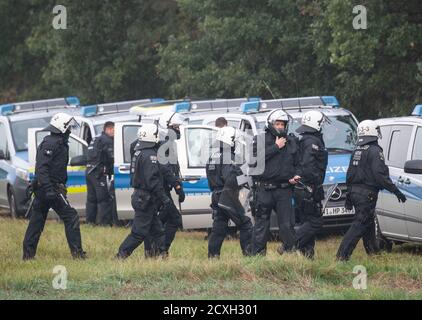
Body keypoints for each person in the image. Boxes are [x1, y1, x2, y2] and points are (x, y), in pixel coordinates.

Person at [336, 120, 407, 261]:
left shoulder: (357, 150)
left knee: (368, 223)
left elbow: (349, 175)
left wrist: (348, 197)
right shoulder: (375, 151)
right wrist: (396, 191)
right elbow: (380, 175)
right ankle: (342, 256)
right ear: (372, 131)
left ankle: (373, 253)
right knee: (359, 224)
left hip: (355, 193)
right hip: (366, 195)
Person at [23, 113, 86, 260]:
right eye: (68, 127)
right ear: (61, 127)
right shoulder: (51, 143)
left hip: (48, 189)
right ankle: (77, 255)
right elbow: (42, 169)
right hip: (49, 189)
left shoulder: (58, 142)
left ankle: (28, 256)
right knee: (71, 217)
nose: (70, 130)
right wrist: (49, 189)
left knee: (37, 222)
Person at [116, 123, 169, 259]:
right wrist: (164, 198)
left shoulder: (138, 152)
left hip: (142, 197)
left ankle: (162, 255)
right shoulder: (150, 155)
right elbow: (153, 181)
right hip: (146, 198)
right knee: (138, 233)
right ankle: (121, 255)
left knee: (158, 230)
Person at [251, 109, 300, 256]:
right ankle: (258, 257)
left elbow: (299, 163)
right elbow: (254, 160)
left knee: (287, 225)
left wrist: (297, 175)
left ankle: (289, 253)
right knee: (261, 225)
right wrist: (276, 147)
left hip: (284, 190)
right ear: (270, 124)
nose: (280, 127)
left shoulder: (292, 141)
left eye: (282, 124)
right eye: (277, 123)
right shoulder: (260, 139)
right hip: (264, 190)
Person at [143, 112, 186, 257]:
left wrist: (177, 183)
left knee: (161, 221)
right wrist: (177, 186)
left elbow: (174, 168)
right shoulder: (164, 144)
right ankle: (159, 251)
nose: (179, 130)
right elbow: (166, 169)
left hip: (163, 190)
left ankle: (158, 251)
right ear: (166, 127)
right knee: (169, 220)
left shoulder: (169, 143)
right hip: (159, 191)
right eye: (176, 127)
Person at [206, 126, 253, 257]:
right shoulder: (229, 156)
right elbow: (230, 178)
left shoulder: (212, 157)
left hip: (215, 195)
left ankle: (213, 257)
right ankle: (248, 255)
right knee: (245, 224)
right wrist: (244, 181)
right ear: (230, 140)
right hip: (227, 195)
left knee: (219, 228)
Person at [294, 111, 328, 259]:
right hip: (308, 188)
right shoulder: (312, 142)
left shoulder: (306, 139)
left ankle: (308, 257)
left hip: (303, 188)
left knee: (306, 222)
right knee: (315, 222)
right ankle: (289, 243)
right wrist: (315, 184)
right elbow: (308, 167)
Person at [85, 121, 116, 226]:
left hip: (89, 171)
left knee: (91, 199)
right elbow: (111, 158)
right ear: (109, 129)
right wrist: (112, 171)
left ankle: (90, 222)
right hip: (99, 173)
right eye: (114, 130)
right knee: (103, 199)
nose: (115, 134)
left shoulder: (95, 139)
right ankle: (105, 223)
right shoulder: (107, 140)